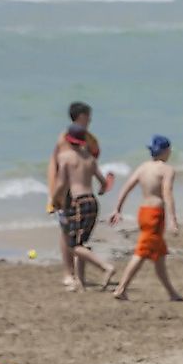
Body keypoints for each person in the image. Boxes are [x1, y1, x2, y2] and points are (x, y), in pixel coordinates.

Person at [108, 135, 183, 302]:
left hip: (143, 212)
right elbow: (167, 194)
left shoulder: (143, 167)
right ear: (165, 151)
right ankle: (121, 288)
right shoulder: (167, 170)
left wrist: (117, 209)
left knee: (159, 255)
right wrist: (173, 219)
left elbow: (126, 187)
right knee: (141, 252)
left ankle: (171, 293)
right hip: (155, 214)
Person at [46, 102, 106, 286]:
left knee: (79, 237)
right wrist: (53, 195)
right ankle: (68, 273)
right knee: (67, 233)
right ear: (81, 117)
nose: (90, 120)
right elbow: (55, 164)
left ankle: (80, 277)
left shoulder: (85, 138)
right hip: (67, 192)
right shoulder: (65, 138)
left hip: (80, 193)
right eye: (88, 116)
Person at [52, 124, 115, 292]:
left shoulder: (65, 157)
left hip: (77, 202)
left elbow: (61, 183)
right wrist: (102, 189)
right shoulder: (90, 158)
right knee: (81, 243)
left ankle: (105, 267)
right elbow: (103, 184)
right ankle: (80, 282)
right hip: (92, 202)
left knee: (73, 245)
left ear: (68, 140)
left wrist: (54, 199)